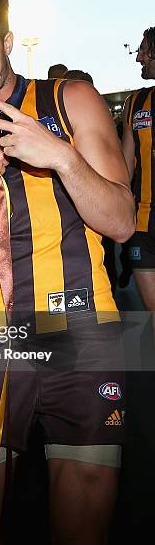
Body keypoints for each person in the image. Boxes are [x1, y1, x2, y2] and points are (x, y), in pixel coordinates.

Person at [0, 0, 134, 545]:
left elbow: (120, 219)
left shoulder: (67, 100)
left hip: (84, 333)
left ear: (8, 42)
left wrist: (61, 158)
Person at [122, 27, 155, 337]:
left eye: (144, 50)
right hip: (143, 225)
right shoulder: (135, 102)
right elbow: (125, 162)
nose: (139, 57)